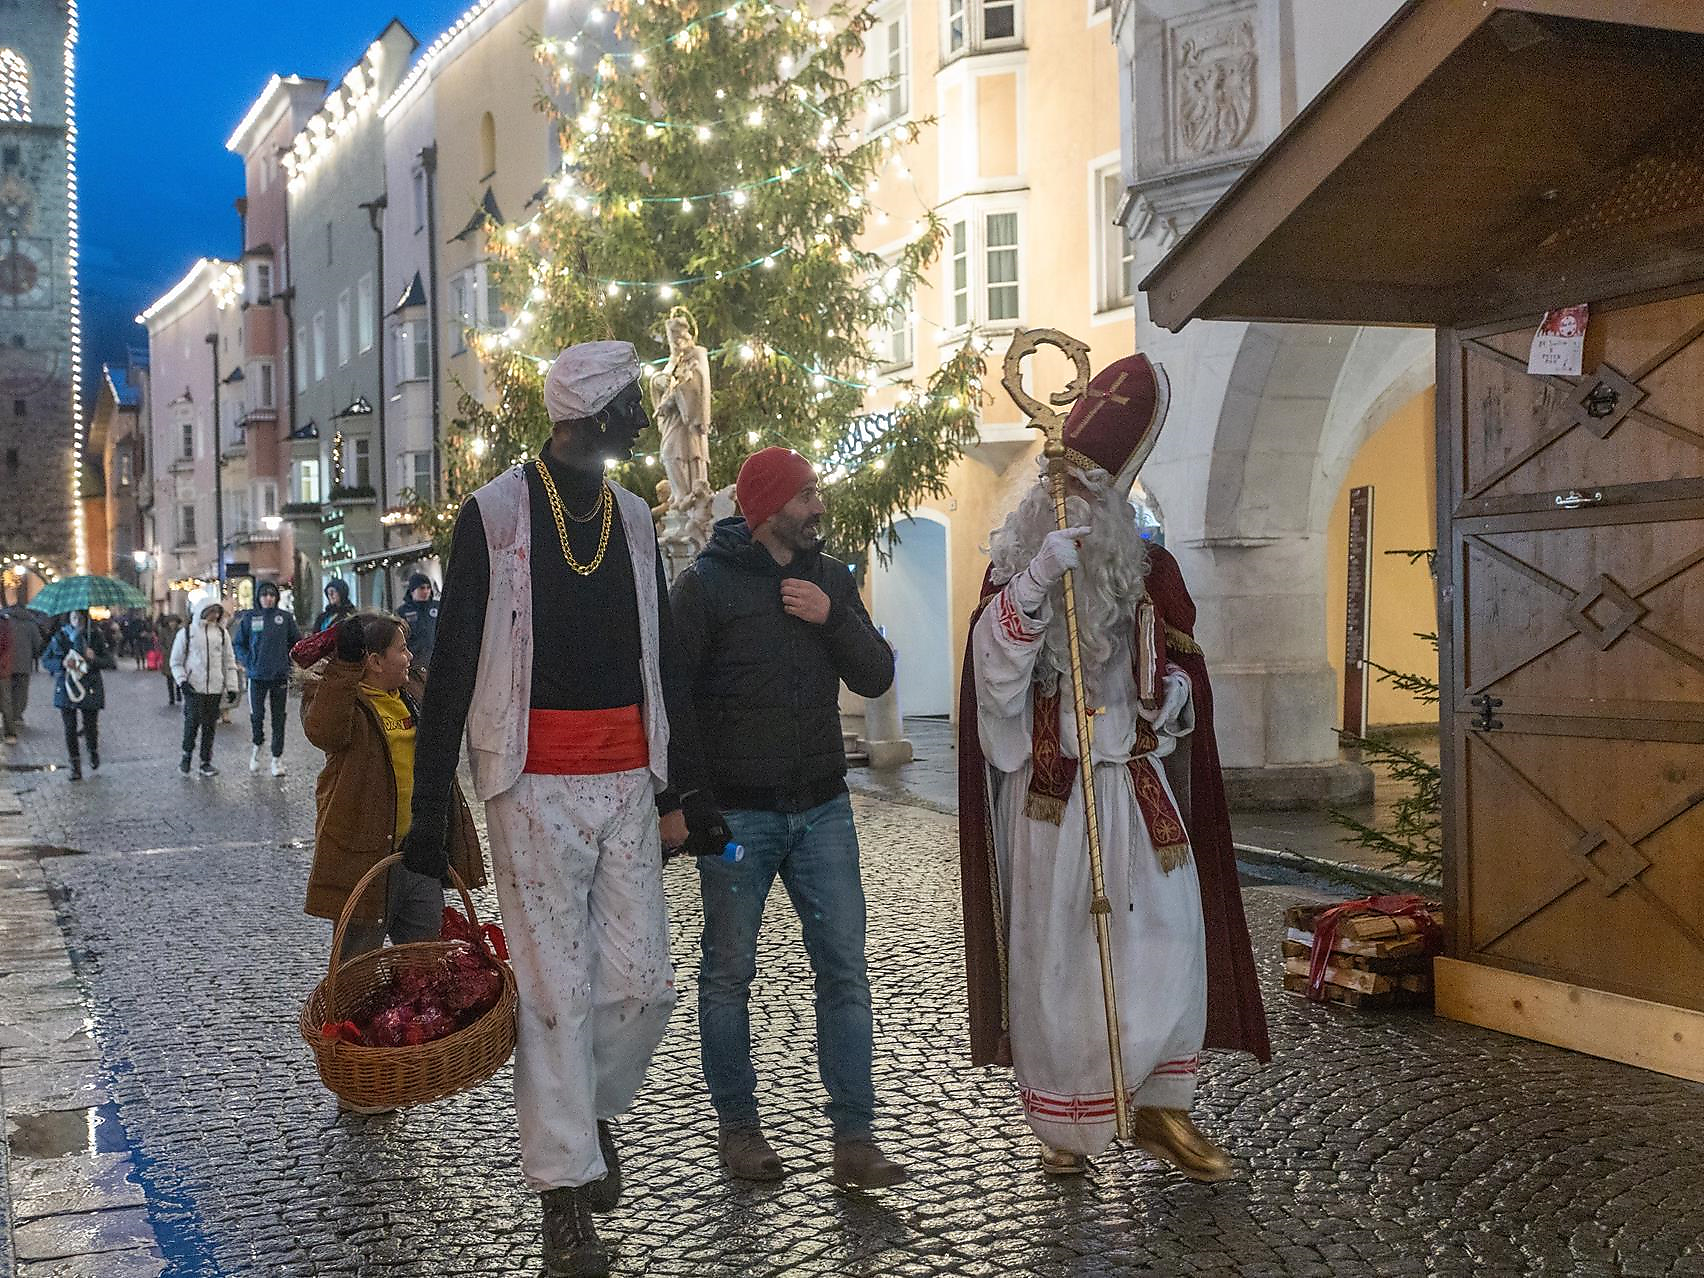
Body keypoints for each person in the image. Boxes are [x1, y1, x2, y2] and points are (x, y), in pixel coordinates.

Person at [401, 340, 726, 1278]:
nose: (644, 418)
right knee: (554, 990)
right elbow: (456, 661)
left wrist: (684, 789)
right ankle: (563, 1195)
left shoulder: (629, 516)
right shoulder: (496, 513)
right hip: (530, 781)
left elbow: (661, 662)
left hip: (627, 777)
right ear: (588, 415)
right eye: (632, 405)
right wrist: (431, 808)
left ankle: (585, 1115)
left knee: (640, 984)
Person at [958, 351, 1268, 1182]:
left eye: (1097, 499)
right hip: (1054, 798)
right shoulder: (1018, 570)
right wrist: (1032, 586)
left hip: (1134, 784)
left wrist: (1169, 703)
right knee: (1060, 960)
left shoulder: (1146, 571)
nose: (1082, 515)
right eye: (1069, 495)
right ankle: (1068, 1119)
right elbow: (991, 680)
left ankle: (1162, 1105)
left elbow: (1181, 671)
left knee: (1171, 935)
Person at [669, 448, 907, 1189]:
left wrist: (832, 618)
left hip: (823, 811)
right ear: (767, 506)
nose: (819, 508)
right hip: (739, 824)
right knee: (728, 973)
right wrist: (686, 803)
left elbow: (875, 673)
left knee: (844, 968)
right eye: (807, 496)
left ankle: (855, 1139)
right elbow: (673, 701)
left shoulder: (830, 579)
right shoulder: (704, 587)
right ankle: (739, 1130)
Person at [297, 613, 483, 961]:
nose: (409, 656)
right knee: (357, 966)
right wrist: (344, 668)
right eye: (401, 649)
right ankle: (347, 1018)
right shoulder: (343, 700)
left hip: (416, 852)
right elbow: (326, 731)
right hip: (364, 860)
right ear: (374, 661)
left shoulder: (410, 692)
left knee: (426, 962)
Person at [234, 581, 301, 776]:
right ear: (259, 597)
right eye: (264, 595)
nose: (268, 598)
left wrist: (289, 663)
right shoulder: (249, 617)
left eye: (272, 594)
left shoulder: (285, 618)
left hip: (279, 675)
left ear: (276, 597)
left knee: (279, 718)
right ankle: (257, 746)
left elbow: (296, 643)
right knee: (257, 716)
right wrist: (248, 661)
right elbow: (239, 643)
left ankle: (276, 758)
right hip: (256, 677)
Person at [171, 601, 240, 777]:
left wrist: (232, 687)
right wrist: (183, 682)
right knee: (191, 724)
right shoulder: (187, 633)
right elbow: (176, 661)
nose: (215, 615)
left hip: (215, 688)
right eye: (212, 611)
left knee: (210, 727)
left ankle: (205, 761)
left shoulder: (221, 634)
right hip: (195, 687)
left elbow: (228, 661)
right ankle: (186, 757)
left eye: (218, 612)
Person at [43, 611, 113, 782]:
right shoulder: (60, 636)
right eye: (74, 618)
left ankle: (92, 750)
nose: (77, 621)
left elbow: (109, 662)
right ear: (69, 618)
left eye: (80, 618)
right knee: (69, 728)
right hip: (67, 686)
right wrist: (62, 664)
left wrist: (93, 657)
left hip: (90, 686)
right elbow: (46, 660)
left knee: (90, 725)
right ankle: (75, 765)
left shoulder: (95, 636)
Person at [2, 604, 45, 734]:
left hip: (6, 664)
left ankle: (9, 717)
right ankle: (17, 715)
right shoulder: (31, 624)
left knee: (6, 694)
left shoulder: (6, 623)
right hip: (24, 664)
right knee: (21, 692)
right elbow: (38, 644)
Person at [395, 573, 439, 669]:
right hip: (414, 661)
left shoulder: (437, 607)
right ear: (412, 590)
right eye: (422, 588)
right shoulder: (403, 612)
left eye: (428, 588)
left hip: (436, 659)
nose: (426, 591)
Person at [156, 612, 185, 707]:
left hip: (178, 657)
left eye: (174, 622)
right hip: (167, 657)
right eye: (171, 622)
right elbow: (160, 643)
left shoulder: (180, 631)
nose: (172, 623)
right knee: (169, 678)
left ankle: (178, 694)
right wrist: (165, 651)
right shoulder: (163, 631)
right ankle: (171, 697)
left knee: (178, 677)